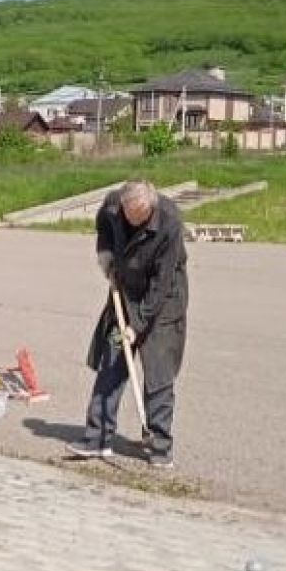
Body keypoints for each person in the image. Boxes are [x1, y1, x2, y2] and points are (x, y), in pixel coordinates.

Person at [66, 179, 188, 467]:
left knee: (158, 373)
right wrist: (107, 261)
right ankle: (97, 438)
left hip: (164, 302)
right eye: (129, 217)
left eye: (140, 219)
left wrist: (138, 324)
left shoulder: (169, 223)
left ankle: (159, 446)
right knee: (111, 364)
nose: (133, 223)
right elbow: (104, 231)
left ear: (151, 207)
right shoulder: (112, 206)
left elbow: (162, 283)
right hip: (124, 293)